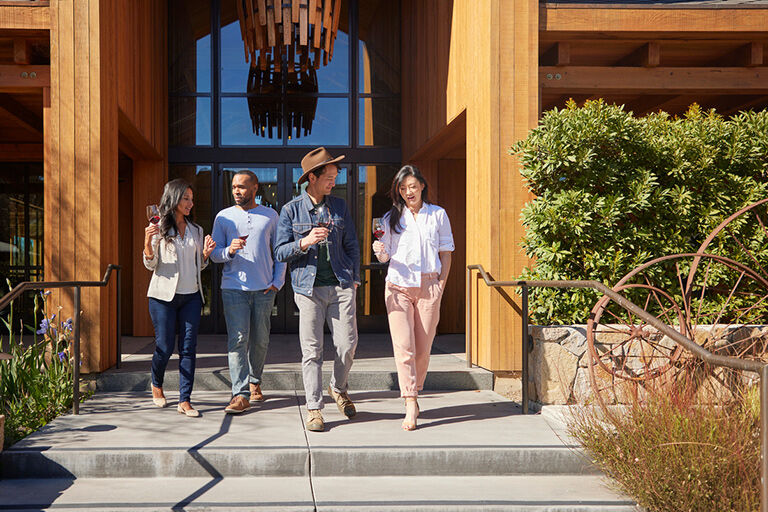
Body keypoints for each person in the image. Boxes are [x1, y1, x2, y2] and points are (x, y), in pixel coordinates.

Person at [275, 147, 361, 432]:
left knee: (347, 345)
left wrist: (355, 277)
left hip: (341, 284)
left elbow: (351, 244)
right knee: (312, 350)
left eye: (335, 177)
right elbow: (279, 252)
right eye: (329, 177)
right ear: (312, 177)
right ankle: (314, 408)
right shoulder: (290, 210)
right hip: (308, 288)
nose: (333, 182)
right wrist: (305, 240)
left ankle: (338, 387)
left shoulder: (339, 207)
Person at [372, 165, 454, 430]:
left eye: (413, 186)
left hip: (430, 286)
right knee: (404, 347)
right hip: (398, 287)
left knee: (423, 348)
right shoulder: (391, 218)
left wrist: (440, 287)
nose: (409, 192)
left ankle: (414, 390)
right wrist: (379, 251)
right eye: (403, 188)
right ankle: (410, 401)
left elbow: (446, 253)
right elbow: (386, 258)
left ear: (422, 187)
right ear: (399, 191)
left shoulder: (438, 215)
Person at [210, 170, 286, 414]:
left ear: (255, 188)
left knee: (261, 340)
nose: (236, 191)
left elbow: (281, 252)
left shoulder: (271, 216)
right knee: (238, 340)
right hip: (234, 288)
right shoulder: (223, 218)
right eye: (234, 187)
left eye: (242, 187)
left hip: (264, 289)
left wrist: (278, 281)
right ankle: (239, 394)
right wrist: (229, 251)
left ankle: (255, 381)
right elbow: (214, 254)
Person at [143, 178, 216, 418]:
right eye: (186, 198)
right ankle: (157, 383)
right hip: (162, 296)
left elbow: (199, 266)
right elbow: (150, 264)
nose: (190, 203)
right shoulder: (159, 228)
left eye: (192, 199)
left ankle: (185, 400)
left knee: (188, 348)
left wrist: (204, 255)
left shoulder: (196, 230)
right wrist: (147, 241)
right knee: (163, 346)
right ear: (174, 199)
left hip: (191, 296)